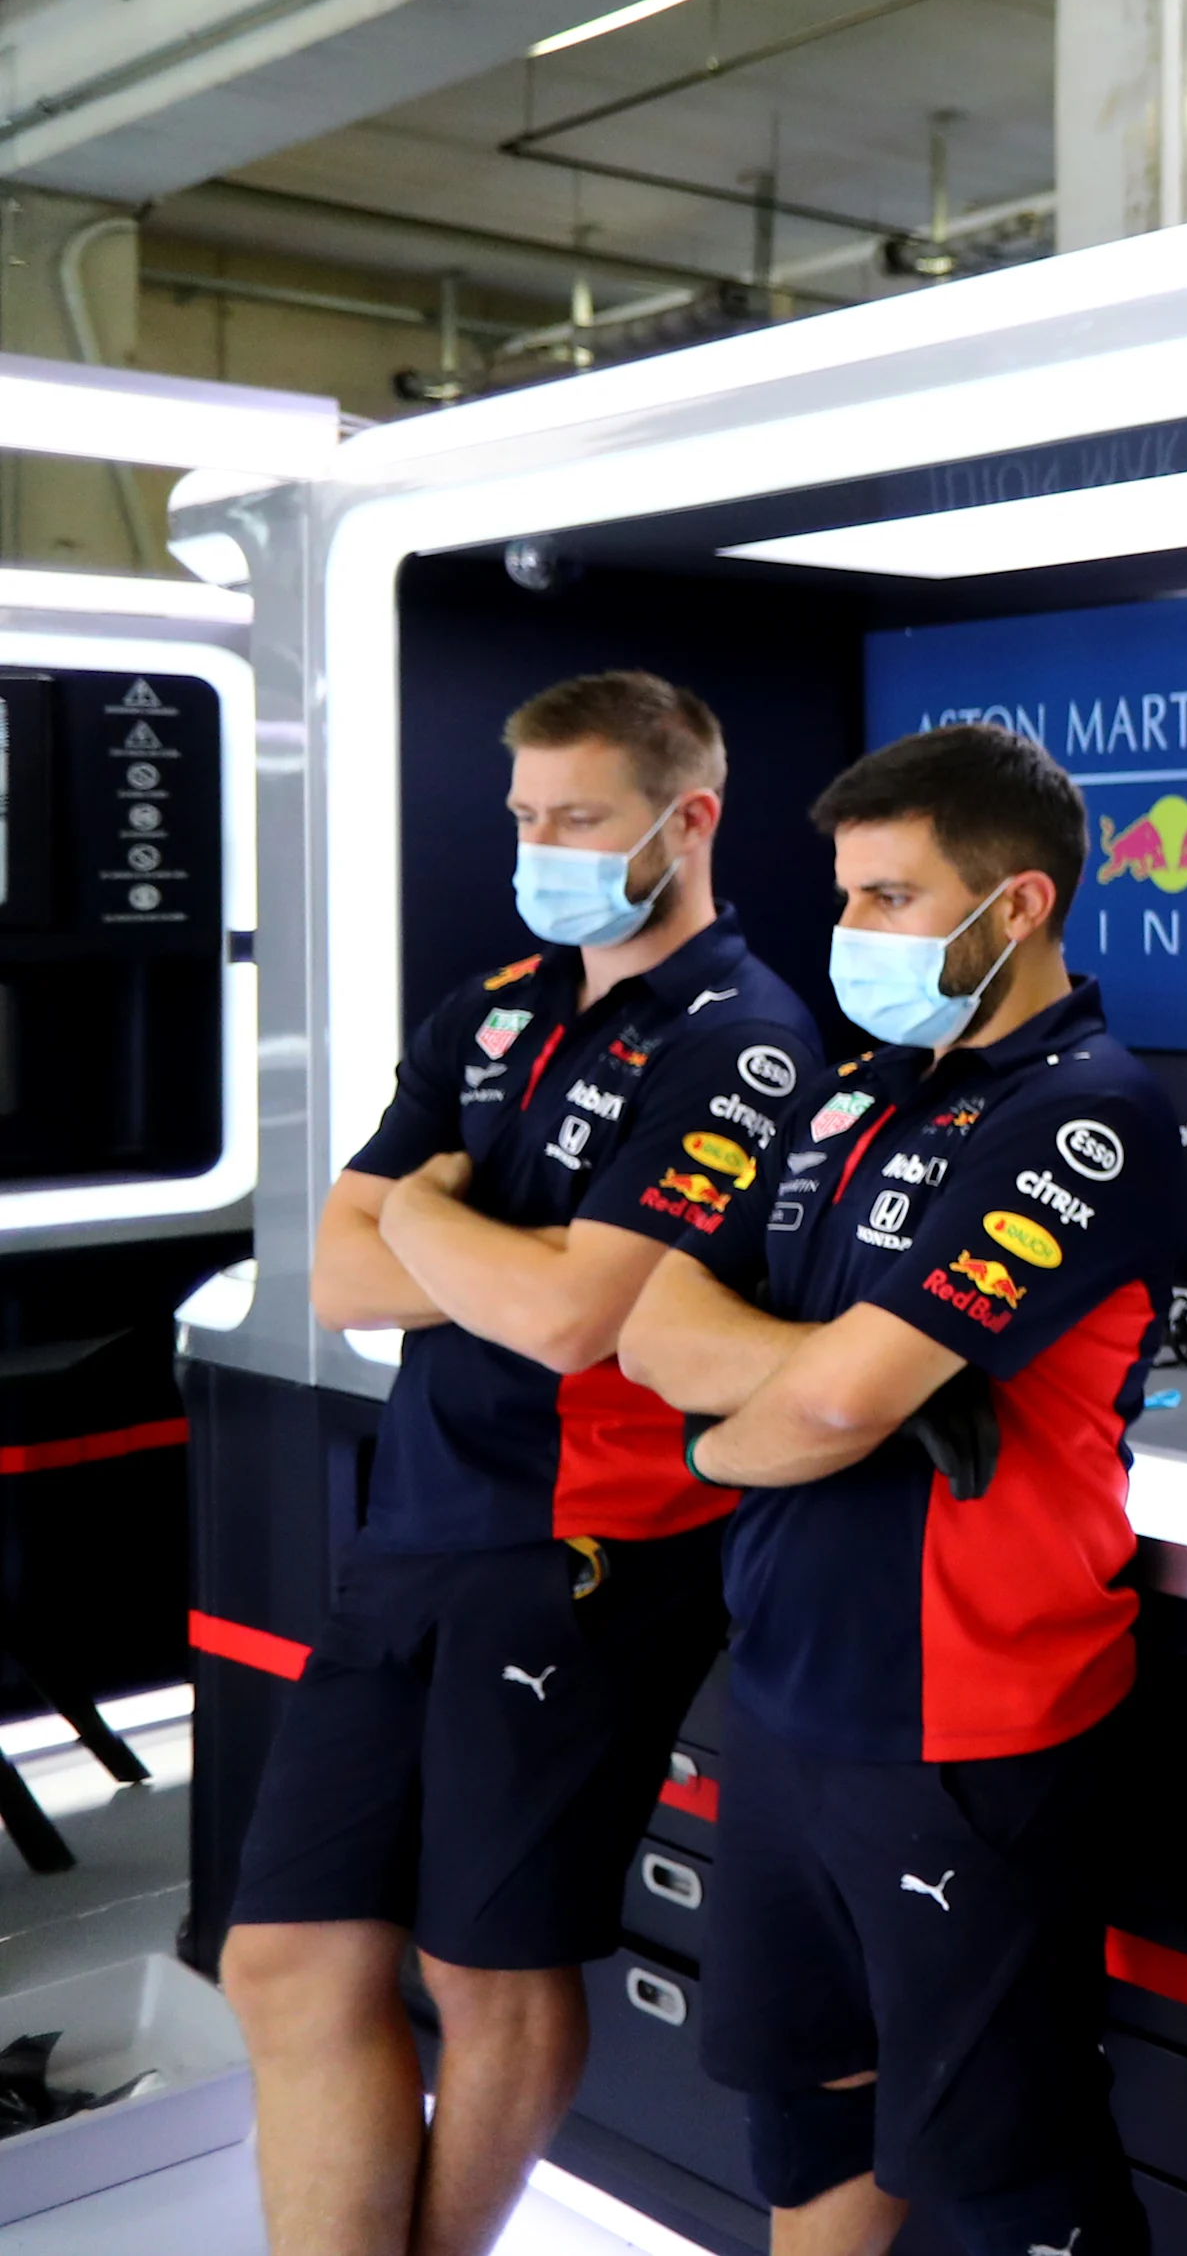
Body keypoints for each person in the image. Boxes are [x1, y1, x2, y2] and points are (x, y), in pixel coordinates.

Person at [225, 671, 822, 2256]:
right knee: (284, 1957)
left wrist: (427, 1212)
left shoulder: (747, 1040)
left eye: (579, 817)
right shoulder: (491, 1006)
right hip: (416, 1521)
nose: (540, 844)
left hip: (590, 1552)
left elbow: (574, 1323)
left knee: (486, 1965)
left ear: (686, 820)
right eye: (524, 818)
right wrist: (489, 1252)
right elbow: (335, 1279)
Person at [617, 723, 1176, 2256]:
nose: (849, 933)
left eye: (891, 899)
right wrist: (775, 1410)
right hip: (789, 1698)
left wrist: (762, 1421)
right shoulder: (851, 1099)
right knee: (811, 2137)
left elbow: (849, 1397)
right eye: (847, 897)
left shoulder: (1086, 1113)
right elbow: (654, 1325)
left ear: (1018, 910)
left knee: (1012, 2185)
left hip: (971, 1728)